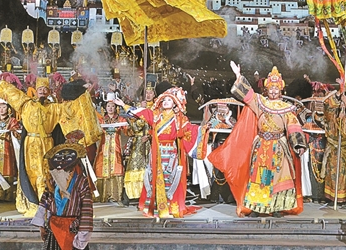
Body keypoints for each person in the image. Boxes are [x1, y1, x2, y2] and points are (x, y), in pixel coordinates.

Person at [209, 62, 307, 217]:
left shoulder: (287, 108)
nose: (273, 90)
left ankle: (276, 207)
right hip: (261, 146)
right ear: (266, 89)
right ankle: (256, 206)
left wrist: (299, 144)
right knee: (259, 176)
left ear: (281, 89)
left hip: (279, 147)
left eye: (276, 88)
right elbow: (248, 95)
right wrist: (238, 76)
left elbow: (293, 126)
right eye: (271, 88)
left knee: (278, 176)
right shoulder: (260, 102)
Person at [0, 75, 100, 216]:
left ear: (49, 92)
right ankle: (33, 202)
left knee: (46, 174)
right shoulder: (26, 104)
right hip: (30, 144)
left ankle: (45, 204)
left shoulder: (55, 108)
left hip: (47, 143)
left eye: (45, 89)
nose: (42, 91)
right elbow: (14, 95)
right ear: (36, 91)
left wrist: (81, 94)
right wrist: (2, 85)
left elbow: (71, 110)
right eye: (40, 89)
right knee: (31, 173)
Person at [117, 86, 199, 218]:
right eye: (164, 100)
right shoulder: (155, 116)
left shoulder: (180, 119)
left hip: (170, 152)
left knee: (169, 177)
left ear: (174, 104)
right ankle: (155, 206)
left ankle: (170, 206)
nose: (166, 102)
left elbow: (190, 130)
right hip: (156, 151)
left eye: (169, 100)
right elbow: (142, 112)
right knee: (153, 177)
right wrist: (124, 105)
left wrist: (203, 129)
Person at [31, 130, 93, 250]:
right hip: (53, 231)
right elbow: (45, 203)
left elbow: (87, 211)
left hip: (73, 232)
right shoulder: (53, 181)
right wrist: (41, 226)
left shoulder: (81, 182)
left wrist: (81, 239)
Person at [94, 93, 131, 204]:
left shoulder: (120, 119)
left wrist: (128, 127)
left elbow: (128, 131)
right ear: (105, 108)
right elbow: (95, 133)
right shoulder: (101, 120)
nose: (110, 108)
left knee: (117, 167)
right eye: (108, 106)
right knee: (101, 167)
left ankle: (116, 195)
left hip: (116, 148)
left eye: (113, 106)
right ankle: (103, 195)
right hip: (103, 148)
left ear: (116, 108)